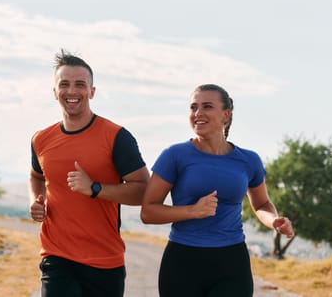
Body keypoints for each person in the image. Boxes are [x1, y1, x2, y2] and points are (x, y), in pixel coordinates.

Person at [140, 83, 294, 297]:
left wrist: (273, 221)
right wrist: (192, 211)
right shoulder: (175, 156)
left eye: (207, 107)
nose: (198, 113)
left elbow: (261, 204)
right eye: (193, 107)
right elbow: (148, 212)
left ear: (226, 114)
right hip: (183, 261)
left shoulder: (248, 160)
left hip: (231, 261)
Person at [29, 49, 150, 297]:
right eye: (64, 84)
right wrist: (36, 200)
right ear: (54, 92)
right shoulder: (41, 139)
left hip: (104, 261)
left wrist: (95, 188)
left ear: (92, 91)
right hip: (57, 256)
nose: (71, 91)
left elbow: (142, 191)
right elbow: (36, 176)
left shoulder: (116, 137)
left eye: (80, 84)